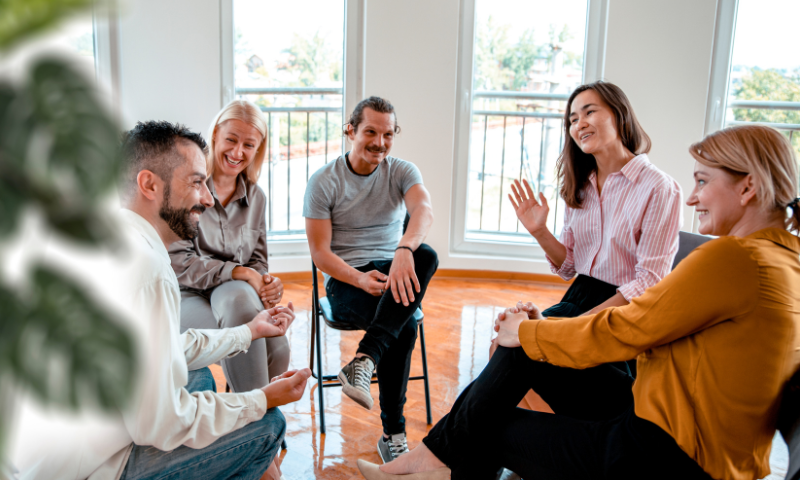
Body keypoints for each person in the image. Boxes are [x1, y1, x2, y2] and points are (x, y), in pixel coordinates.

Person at [358, 125, 800, 480]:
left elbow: (630, 327)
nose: (692, 196)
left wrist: (533, 331)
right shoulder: (782, 259)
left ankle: (430, 463)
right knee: (518, 357)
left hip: (669, 453)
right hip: (675, 420)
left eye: (703, 181)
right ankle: (429, 462)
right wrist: (540, 331)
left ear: (748, 188)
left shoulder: (735, 258)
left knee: (488, 423)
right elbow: (653, 328)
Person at [13, 121, 311, 480]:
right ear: (149, 184)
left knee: (197, 376)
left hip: (44, 449)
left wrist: (247, 331)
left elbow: (162, 349)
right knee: (267, 425)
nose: (208, 198)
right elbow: (158, 425)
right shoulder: (148, 271)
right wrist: (262, 398)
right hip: (88, 467)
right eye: (197, 182)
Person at [304, 96, 437, 463]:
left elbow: (423, 211)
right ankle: (393, 434)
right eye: (371, 132)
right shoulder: (323, 182)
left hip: (395, 268)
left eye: (388, 134)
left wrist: (404, 250)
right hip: (347, 280)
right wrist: (361, 281)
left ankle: (364, 359)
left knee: (426, 254)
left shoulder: (401, 170)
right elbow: (321, 255)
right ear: (350, 131)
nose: (380, 142)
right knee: (405, 326)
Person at [169, 100, 290, 394]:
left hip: (237, 295)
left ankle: (251, 418)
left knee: (279, 350)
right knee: (242, 313)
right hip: (188, 295)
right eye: (231, 140)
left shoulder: (257, 198)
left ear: (257, 150)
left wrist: (265, 283)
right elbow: (179, 263)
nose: (238, 153)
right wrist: (240, 273)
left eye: (249, 145)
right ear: (215, 137)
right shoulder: (186, 187)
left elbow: (258, 261)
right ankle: (253, 422)